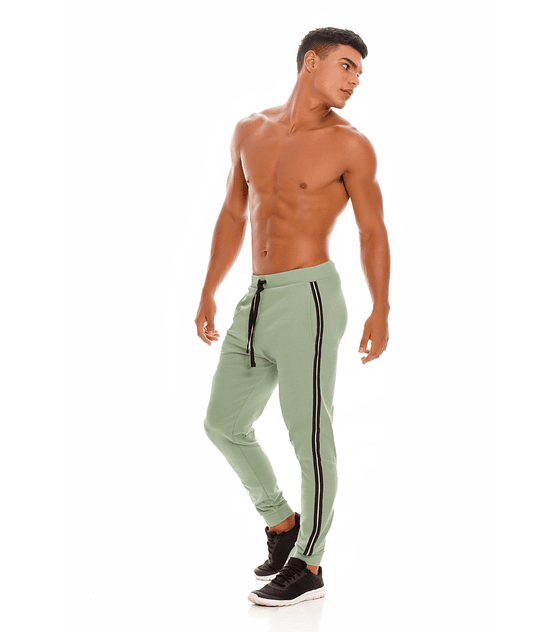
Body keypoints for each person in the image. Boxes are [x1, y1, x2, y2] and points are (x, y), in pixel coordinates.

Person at [195, 26, 390, 607]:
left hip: (309, 298)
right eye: (347, 66)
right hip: (255, 297)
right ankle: (282, 524)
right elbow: (234, 214)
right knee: (222, 423)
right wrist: (208, 290)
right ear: (311, 62)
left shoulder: (351, 146)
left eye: (360, 72)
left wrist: (381, 307)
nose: (356, 80)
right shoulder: (249, 130)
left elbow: (372, 231)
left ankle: (310, 564)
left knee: (309, 436)